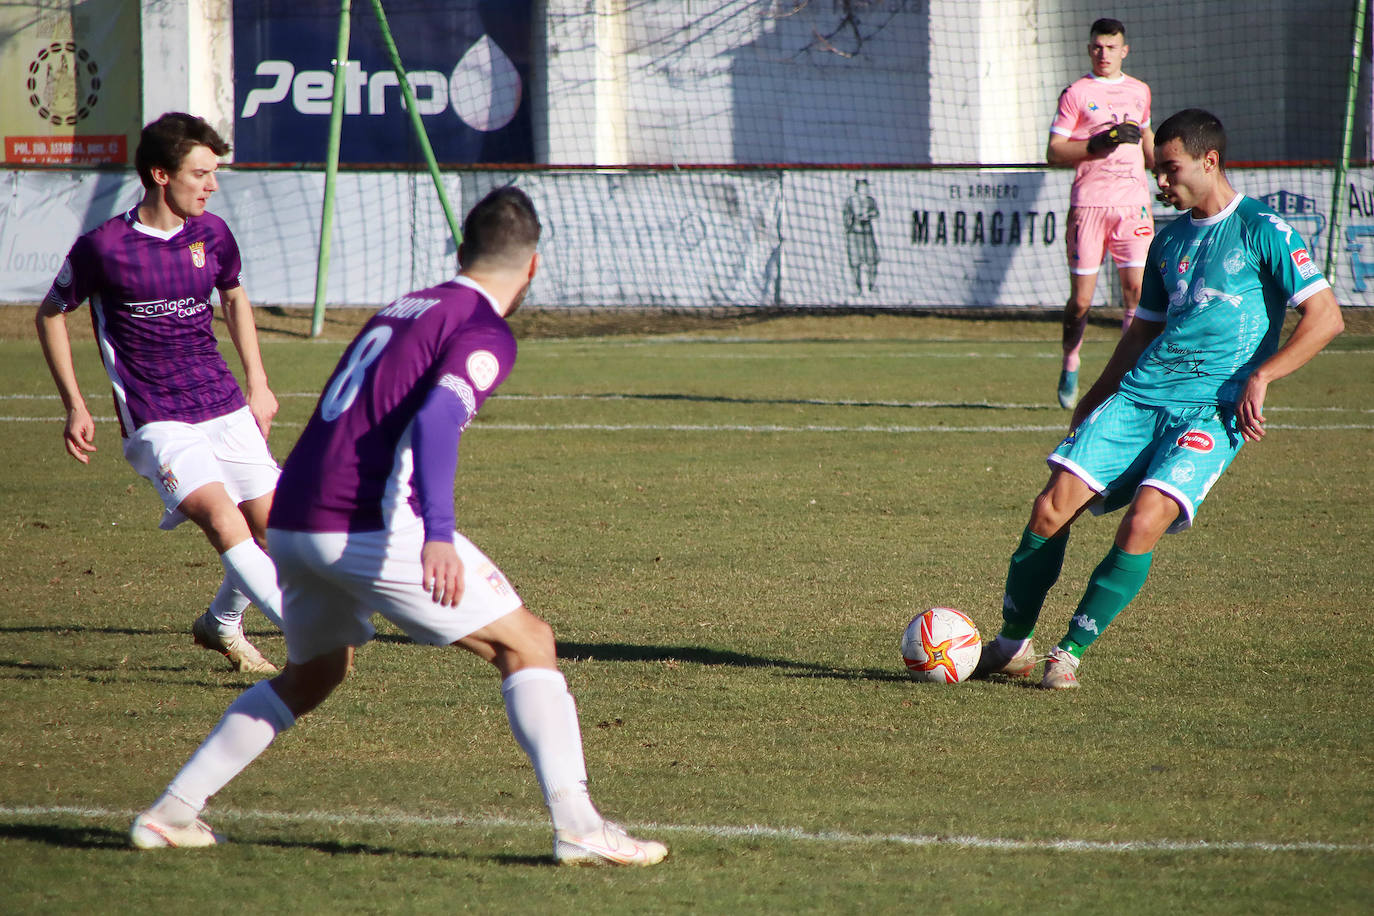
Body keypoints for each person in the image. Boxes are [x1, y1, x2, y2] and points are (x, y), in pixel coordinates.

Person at [127, 186, 669, 866]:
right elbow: (437, 422)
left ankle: (172, 812)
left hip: (294, 516)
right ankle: (582, 827)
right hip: (367, 520)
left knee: (314, 674)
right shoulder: (482, 329)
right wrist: (437, 533)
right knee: (528, 642)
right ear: (532, 267)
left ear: (460, 250)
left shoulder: (409, 305)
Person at [973, 109, 1344, 689]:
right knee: (1050, 508)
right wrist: (1096, 395)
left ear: (1209, 160)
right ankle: (1012, 642)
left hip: (1212, 410)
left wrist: (1263, 376)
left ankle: (1067, 653)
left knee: (1144, 520)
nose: (1160, 183)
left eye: (1169, 170)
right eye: (1158, 171)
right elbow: (1141, 332)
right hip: (1142, 396)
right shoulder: (1167, 242)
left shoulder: (1263, 229)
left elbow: (1326, 318)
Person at [35, 112, 284, 674]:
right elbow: (51, 314)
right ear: (160, 175)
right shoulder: (104, 247)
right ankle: (313, 639)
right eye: (201, 173)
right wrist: (74, 403)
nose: (212, 185)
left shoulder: (213, 233)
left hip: (222, 403)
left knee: (279, 532)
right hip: (157, 418)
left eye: (214, 172)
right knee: (226, 522)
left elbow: (235, 298)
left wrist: (259, 383)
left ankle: (221, 623)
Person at [1047, 17, 1156, 408]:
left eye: (1111, 47)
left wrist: (1162, 169)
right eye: (1097, 47)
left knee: (1137, 295)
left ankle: (1125, 379)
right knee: (1081, 302)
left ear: (1124, 50)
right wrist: (1098, 142)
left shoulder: (1139, 91)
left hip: (1133, 204)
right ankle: (1071, 360)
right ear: (1089, 48)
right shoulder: (1076, 93)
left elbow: (1146, 139)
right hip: (1089, 206)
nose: (1103, 54)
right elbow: (1055, 152)